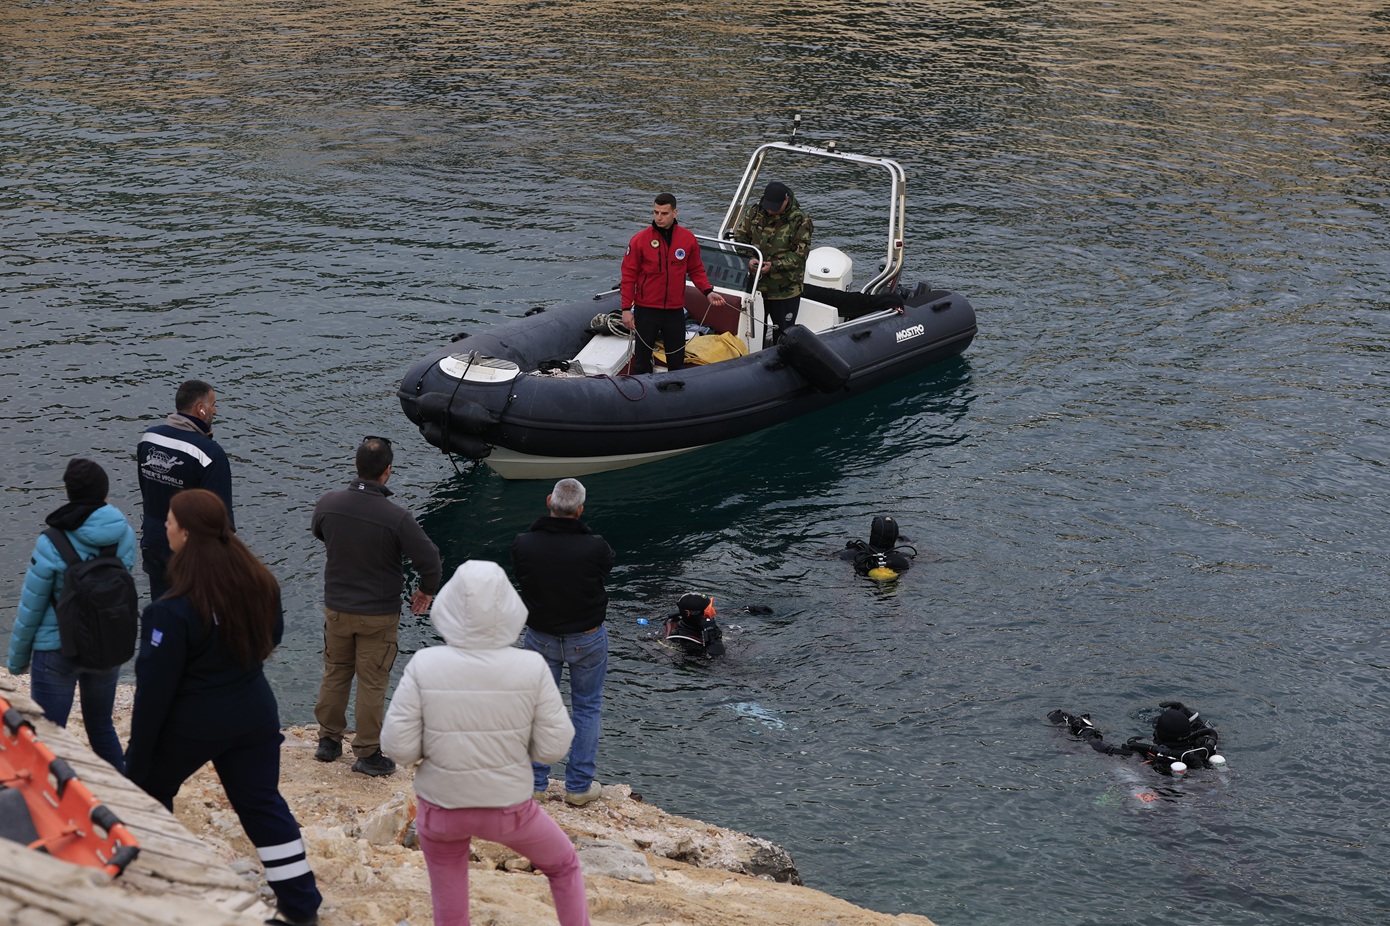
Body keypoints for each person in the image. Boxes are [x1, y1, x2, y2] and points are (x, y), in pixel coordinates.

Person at [125, 489, 322, 926]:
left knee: (148, 793)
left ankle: (162, 889)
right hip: (254, 711)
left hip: (195, 723)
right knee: (262, 805)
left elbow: (154, 692)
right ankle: (301, 907)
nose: (165, 525)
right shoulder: (259, 582)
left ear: (186, 534)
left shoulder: (170, 611)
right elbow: (273, 636)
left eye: (171, 520)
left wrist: (136, 761)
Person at [381, 560, 589, 926]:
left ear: (447, 606)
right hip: (509, 808)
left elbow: (397, 746)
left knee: (449, 890)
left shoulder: (424, 663)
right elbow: (553, 747)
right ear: (509, 607)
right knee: (563, 865)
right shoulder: (531, 666)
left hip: (441, 808)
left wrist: (433, 752)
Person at [310, 436, 442, 777]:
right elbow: (430, 560)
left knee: (336, 672)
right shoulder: (396, 517)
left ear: (356, 465)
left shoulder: (328, 503)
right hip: (377, 615)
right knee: (372, 682)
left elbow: (320, 533)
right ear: (388, 472)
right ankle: (367, 753)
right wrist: (426, 591)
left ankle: (328, 741)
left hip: (337, 608)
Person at [8, 458, 135, 772]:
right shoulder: (124, 534)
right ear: (104, 492)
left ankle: (51, 795)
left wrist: (17, 660)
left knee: (49, 737)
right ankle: (122, 791)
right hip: (106, 644)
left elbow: (32, 606)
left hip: (58, 650)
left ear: (69, 493)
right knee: (101, 726)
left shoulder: (51, 542)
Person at [511, 478, 614, 806]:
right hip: (587, 637)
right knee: (587, 706)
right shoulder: (595, 546)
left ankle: (535, 784)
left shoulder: (524, 544)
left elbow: (522, 576)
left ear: (549, 502)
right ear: (580, 510)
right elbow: (605, 570)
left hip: (541, 636)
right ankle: (579, 787)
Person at [137, 379, 233, 601]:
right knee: (195, 613)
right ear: (201, 409)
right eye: (213, 405)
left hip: (153, 541)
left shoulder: (149, 439)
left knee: (161, 608)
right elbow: (221, 517)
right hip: (190, 551)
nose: (215, 411)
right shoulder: (210, 453)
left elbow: (146, 490)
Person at [619, 192, 727, 374]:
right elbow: (628, 276)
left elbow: (696, 269)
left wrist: (707, 291)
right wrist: (625, 309)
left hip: (674, 311)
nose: (659, 217)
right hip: (646, 310)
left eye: (664, 213)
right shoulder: (640, 240)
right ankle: (642, 389)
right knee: (642, 362)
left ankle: (675, 389)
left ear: (675, 212)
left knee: (676, 362)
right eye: (656, 212)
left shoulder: (687, 239)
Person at [1047, 701, 1224, 775]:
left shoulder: (1144, 755)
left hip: (1163, 793)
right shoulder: (1203, 749)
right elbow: (1207, 730)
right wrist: (1187, 713)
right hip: (1201, 786)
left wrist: (1084, 729)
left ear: (1157, 735)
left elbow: (1100, 747)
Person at [735, 180, 814, 343]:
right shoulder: (755, 212)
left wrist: (774, 267)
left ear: (786, 201)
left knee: (784, 334)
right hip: (755, 287)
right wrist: (749, 258)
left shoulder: (800, 220)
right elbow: (740, 239)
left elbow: (800, 255)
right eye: (768, 206)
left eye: (775, 207)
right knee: (754, 333)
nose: (770, 210)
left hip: (784, 290)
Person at [839, 515, 916, 578]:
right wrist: (909, 542)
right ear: (895, 537)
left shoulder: (853, 555)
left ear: (873, 534)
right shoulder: (905, 558)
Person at [662, 593, 725, 658]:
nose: (714, 612)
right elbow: (719, 658)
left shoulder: (690, 623)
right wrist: (714, 638)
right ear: (690, 614)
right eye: (708, 611)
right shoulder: (687, 644)